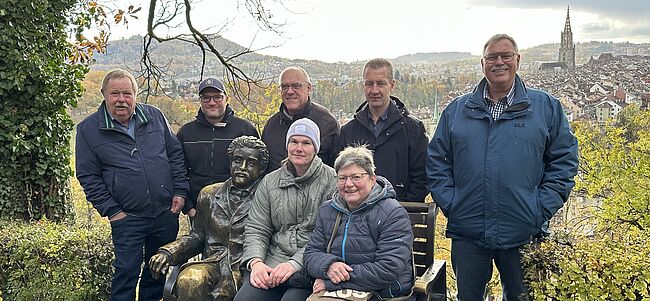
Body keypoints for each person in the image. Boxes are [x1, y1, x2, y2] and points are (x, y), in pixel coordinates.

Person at [426, 34, 579, 301]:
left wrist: (539, 207)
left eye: (506, 56)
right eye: (492, 57)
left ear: (517, 60)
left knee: (522, 297)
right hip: (469, 230)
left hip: (522, 230)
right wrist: (453, 203)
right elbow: (436, 160)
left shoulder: (545, 108)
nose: (499, 62)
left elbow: (564, 161)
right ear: (482, 64)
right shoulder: (457, 110)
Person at [75, 68, 189, 301]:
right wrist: (113, 211)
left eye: (127, 93)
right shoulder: (88, 130)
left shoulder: (155, 116)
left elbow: (175, 154)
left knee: (156, 272)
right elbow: (88, 176)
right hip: (128, 217)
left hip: (165, 212)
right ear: (104, 94)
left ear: (135, 95)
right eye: (115, 93)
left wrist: (179, 191)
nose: (121, 100)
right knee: (125, 273)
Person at [148, 136, 269, 301]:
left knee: (222, 294)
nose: (242, 167)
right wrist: (168, 252)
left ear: (261, 169)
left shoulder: (268, 196)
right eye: (237, 160)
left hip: (246, 266)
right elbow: (197, 236)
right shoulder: (209, 194)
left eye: (251, 163)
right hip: (213, 262)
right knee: (190, 280)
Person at [235, 118, 337, 301]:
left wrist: (294, 263)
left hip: (309, 268)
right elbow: (257, 228)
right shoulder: (270, 182)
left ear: (316, 148)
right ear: (287, 145)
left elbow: (328, 236)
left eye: (306, 143)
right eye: (294, 142)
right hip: (271, 263)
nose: (299, 148)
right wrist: (256, 262)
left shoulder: (331, 181)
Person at [304, 146, 415, 300]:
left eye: (356, 177)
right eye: (342, 178)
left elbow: (389, 268)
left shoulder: (392, 213)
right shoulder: (327, 209)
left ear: (372, 179)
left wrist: (335, 282)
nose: (348, 184)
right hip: (336, 288)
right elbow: (311, 253)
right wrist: (328, 266)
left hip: (382, 293)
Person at [339, 58, 428, 202]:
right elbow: (341, 175)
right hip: (358, 214)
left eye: (380, 83)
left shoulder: (413, 129)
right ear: (364, 86)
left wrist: (402, 208)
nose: (374, 90)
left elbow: (422, 177)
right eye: (369, 84)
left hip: (400, 213)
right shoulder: (348, 131)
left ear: (392, 85)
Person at [177, 77, 259, 216]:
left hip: (238, 210)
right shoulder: (186, 133)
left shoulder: (245, 130)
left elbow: (258, 171)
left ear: (226, 99)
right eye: (206, 98)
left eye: (217, 97)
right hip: (199, 210)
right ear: (200, 100)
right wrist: (190, 209)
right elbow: (179, 171)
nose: (212, 102)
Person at [262, 66, 340, 171]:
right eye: (284, 86)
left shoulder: (327, 123)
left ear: (308, 88)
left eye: (296, 86)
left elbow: (338, 169)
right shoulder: (271, 125)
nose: (289, 91)